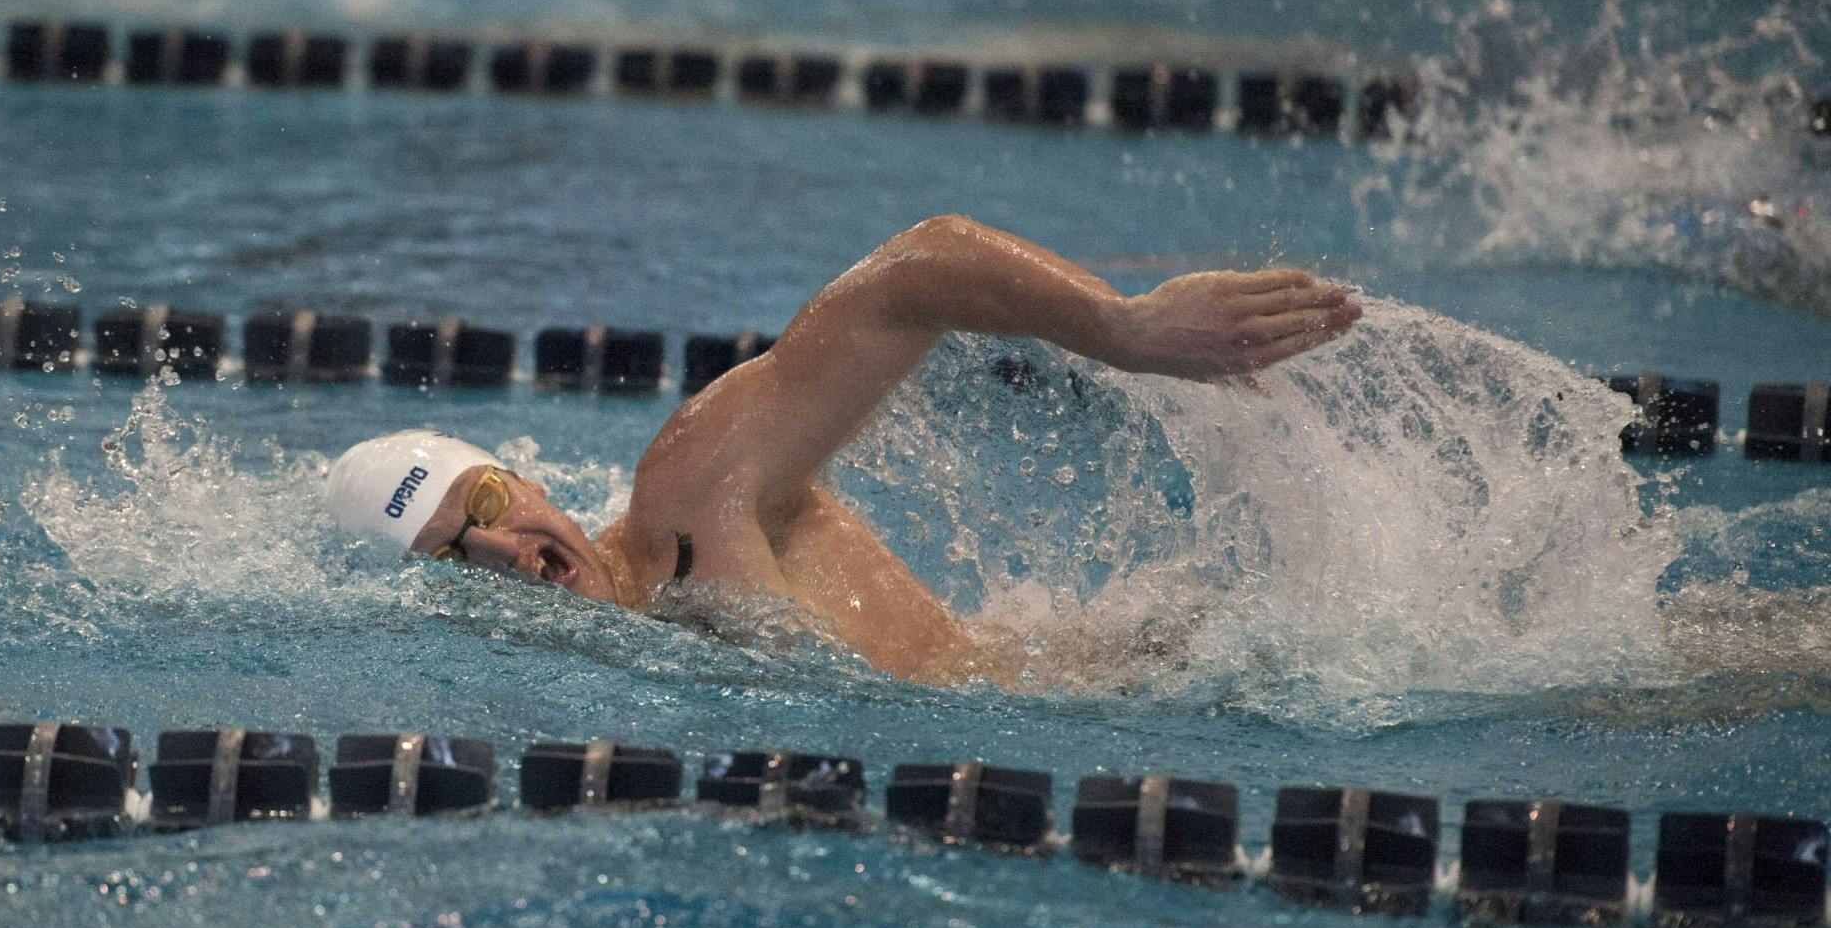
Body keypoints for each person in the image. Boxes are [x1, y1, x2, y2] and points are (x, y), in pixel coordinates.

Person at [325, 215, 1362, 684]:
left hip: (1186, 670)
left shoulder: (689, 495)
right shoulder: (617, 658)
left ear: (527, 477)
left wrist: (1120, 328)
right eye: (457, 554)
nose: (507, 553)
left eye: (490, 506)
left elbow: (912, 271)